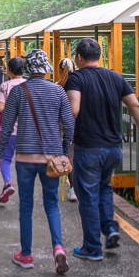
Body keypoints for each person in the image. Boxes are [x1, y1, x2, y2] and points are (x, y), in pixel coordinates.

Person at [64, 38, 139, 261]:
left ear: (79, 57)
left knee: (87, 197)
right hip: (114, 148)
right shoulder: (115, 77)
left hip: (88, 148)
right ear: (100, 56)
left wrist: (62, 137)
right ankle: (111, 228)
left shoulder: (76, 78)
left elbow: (73, 110)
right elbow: (135, 105)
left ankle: (92, 248)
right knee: (104, 188)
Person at [0, 49, 74, 275]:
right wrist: (64, 151)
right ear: (46, 69)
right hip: (51, 158)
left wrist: (0, 156)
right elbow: (68, 124)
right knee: (51, 204)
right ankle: (58, 247)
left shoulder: (18, 92)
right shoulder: (59, 91)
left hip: (25, 158)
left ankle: (26, 255)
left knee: (26, 207)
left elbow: (7, 127)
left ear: (28, 68)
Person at [0, 56, 25, 204]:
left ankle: (8, 184)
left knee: (5, 158)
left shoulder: (5, 86)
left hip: (11, 130)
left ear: (9, 70)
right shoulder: (29, 85)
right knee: (24, 161)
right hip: (27, 132)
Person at [55, 57, 78, 202]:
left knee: (69, 156)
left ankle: (73, 189)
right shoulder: (78, 83)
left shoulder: (58, 86)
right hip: (80, 124)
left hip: (63, 126)